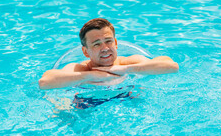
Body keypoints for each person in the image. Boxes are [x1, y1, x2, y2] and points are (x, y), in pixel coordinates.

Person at [39, 18, 179, 90]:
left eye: (108, 41)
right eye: (97, 44)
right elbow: (45, 82)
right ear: (85, 51)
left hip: (128, 96)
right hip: (87, 102)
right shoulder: (80, 69)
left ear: (116, 43)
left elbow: (171, 66)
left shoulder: (127, 63)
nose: (105, 48)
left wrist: (126, 70)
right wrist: (91, 75)